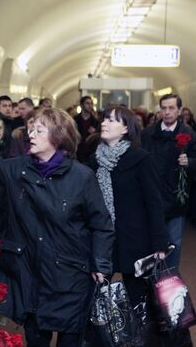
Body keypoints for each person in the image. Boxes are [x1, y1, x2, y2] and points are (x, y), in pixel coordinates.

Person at [0, 108, 114, 347]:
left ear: (58, 137)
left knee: (71, 339)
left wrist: (101, 263)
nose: (31, 134)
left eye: (39, 130)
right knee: (35, 338)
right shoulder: (19, 168)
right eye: (31, 129)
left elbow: (101, 225)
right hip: (31, 275)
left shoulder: (82, 177)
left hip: (71, 276)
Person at [88, 107, 170, 346]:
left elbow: (154, 203)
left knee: (139, 300)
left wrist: (159, 244)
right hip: (103, 240)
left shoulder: (140, 159)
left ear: (126, 129)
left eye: (112, 120)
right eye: (104, 118)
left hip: (135, 241)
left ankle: (142, 340)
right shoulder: (94, 160)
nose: (105, 123)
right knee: (97, 296)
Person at [141, 94, 196, 270]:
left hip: (175, 198)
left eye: (171, 108)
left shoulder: (188, 133)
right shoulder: (148, 133)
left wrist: (191, 162)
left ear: (179, 110)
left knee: (175, 243)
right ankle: (149, 285)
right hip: (151, 197)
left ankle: (170, 282)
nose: (167, 112)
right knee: (150, 243)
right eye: (164, 108)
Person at [74, 96, 100, 163]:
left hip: (91, 153)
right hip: (78, 152)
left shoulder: (95, 121)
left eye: (91, 104)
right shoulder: (75, 119)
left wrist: (95, 133)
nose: (90, 106)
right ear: (82, 105)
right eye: (87, 103)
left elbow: (99, 137)